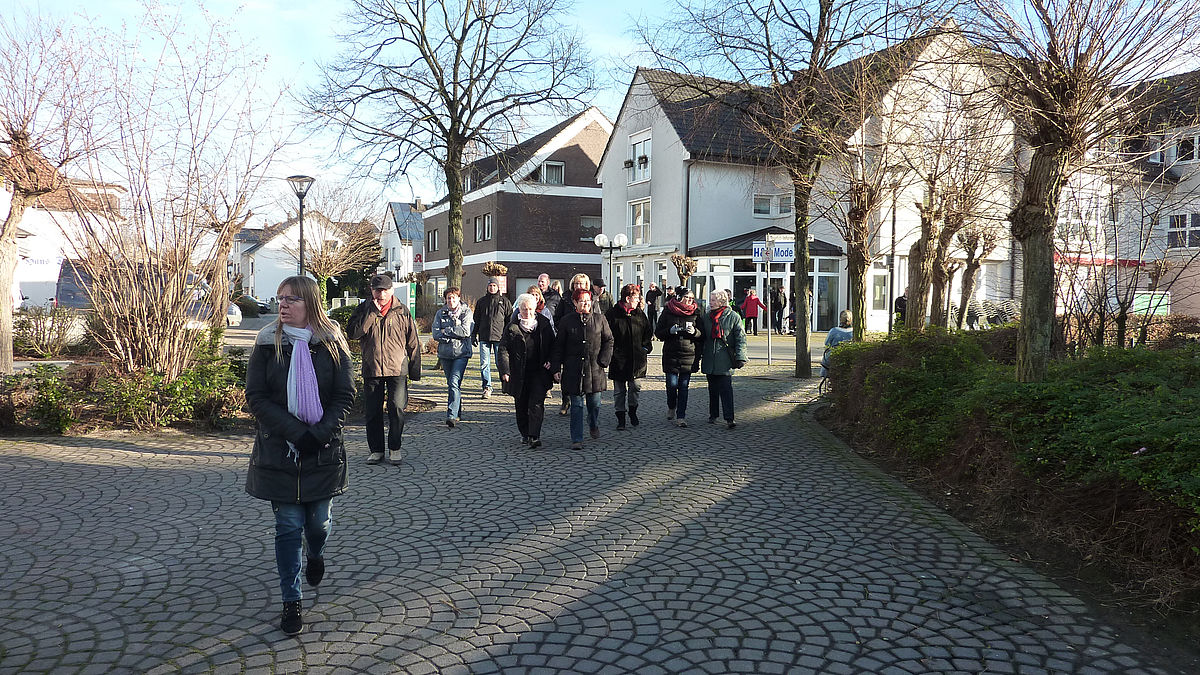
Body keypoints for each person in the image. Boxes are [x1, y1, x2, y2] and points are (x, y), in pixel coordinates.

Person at [245, 275, 354, 636]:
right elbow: (256, 396)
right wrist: (295, 432)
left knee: (318, 524)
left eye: (291, 299)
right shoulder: (266, 342)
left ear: (311, 303)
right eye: (280, 298)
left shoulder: (332, 342)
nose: (283, 305)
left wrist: (319, 434)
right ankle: (291, 600)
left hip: (323, 450)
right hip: (280, 451)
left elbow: (344, 395)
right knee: (289, 526)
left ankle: (316, 553)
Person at [347, 273, 422, 465]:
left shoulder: (402, 311)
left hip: (397, 368)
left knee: (396, 408)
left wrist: (414, 369)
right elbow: (353, 333)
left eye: (385, 290)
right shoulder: (363, 309)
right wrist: (372, 313)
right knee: (372, 412)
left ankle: (395, 448)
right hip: (372, 368)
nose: (381, 294)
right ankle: (376, 450)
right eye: (377, 290)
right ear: (371, 291)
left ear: (392, 290)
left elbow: (413, 341)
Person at [551, 288, 613, 450]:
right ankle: (577, 438)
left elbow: (609, 340)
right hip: (573, 370)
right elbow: (558, 346)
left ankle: (593, 423)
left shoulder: (600, 319)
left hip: (594, 369)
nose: (585, 304)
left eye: (587, 300)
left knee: (594, 404)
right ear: (575, 302)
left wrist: (604, 360)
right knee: (577, 405)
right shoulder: (566, 321)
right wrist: (556, 368)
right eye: (581, 301)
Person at [497, 293, 556, 448]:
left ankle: (534, 435)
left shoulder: (543, 323)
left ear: (535, 309)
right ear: (519, 309)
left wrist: (551, 361)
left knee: (536, 403)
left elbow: (553, 346)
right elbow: (503, 349)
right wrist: (505, 370)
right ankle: (525, 433)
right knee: (521, 405)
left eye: (530, 309)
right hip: (519, 372)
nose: (527, 312)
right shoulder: (512, 327)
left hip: (539, 371)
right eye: (524, 309)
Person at [604, 283, 653, 430]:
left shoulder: (640, 314)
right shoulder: (613, 314)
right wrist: (611, 352)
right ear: (627, 298)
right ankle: (621, 417)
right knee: (619, 391)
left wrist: (645, 348)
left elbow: (647, 332)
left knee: (635, 387)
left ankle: (633, 410)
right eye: (636, 298)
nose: (638, 300)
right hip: (618, 359)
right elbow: (606, 335)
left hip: (637, 359)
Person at [553, 272, 601, 415]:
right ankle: (566, 399)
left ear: (587, 285)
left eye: (581, 283)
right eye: (576, 283)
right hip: (569, 339)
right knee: (569, 374)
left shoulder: (592, 299)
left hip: (588, 340)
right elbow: (557, 317)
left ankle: (588, 405)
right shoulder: (566, 298)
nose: (578, 286)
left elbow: (598, 318)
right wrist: (564, 328)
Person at [655, 286, 703, 427]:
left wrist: (695, 332)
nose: (689, 300)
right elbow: (658, 332)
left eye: (691, 298)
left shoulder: (696, 312)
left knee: (683, 387)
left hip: (689, 354)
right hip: (671, 353)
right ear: (679, 297)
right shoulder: (668, 310)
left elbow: (703, 335)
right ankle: (671, 406)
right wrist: (669, 331)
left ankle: (681, 416)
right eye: (687, 297)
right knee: (671, 385)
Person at [701, 289, 748, 429]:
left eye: (713, 300)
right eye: (710, 300)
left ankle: (729, 418)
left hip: (725, 360)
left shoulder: (733, 316)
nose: (710, 302)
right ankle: (713, 414)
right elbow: (701, 337)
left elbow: (741, 338)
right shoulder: (706, 317)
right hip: (710, 358)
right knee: (712, 389)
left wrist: (741, 356)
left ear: (722, 301)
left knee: (726, 389)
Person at [432, 287, 474, 427]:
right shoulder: (440, 313)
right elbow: (436, 334)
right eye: (448, 298)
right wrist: (451, 336)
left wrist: (447, 330)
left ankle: (451, 415)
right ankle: (457, 412)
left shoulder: (466, 312)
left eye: (453, 297)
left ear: (458, 298)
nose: (451, 300)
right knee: (452, 384)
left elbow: (466, 331)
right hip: (445, 354)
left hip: (461, 353)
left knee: (454, 382)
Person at [471, 276, 513, 399]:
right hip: (484, 337)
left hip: (500, 338)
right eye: (490, 285)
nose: (492, 288)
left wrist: (509, 336)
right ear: (487, 287)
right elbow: (476, 320)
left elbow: (509, 320)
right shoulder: (481, 302)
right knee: (484, 363)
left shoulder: (505, 302)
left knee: (501, 363)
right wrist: (473, 335)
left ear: (498, 287)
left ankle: (505, 384)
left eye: (494, 285)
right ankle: (487, 387)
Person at [821, 309, 854, 377]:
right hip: (849, 357)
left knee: (827, 358)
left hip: (833, 357)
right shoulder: (854, 332)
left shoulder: (833, 331)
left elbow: (827, 344)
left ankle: (825, 375)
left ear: (840, 319)